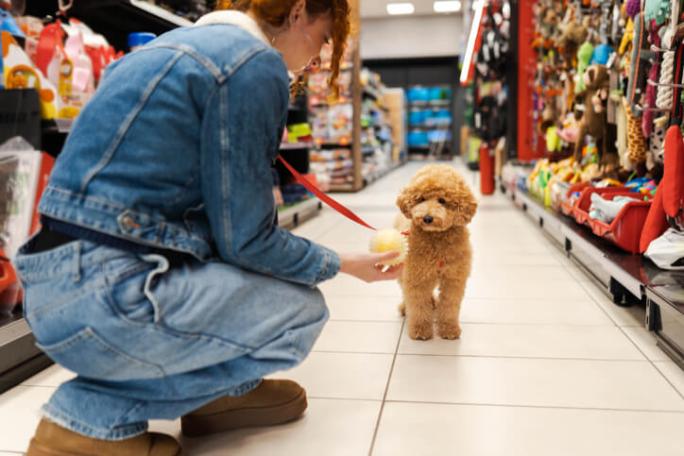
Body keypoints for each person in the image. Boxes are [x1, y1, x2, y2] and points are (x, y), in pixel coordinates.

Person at [14, 1, 401, 454]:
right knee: (301, 312)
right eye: (324, 37)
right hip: (113, 298)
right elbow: (248, 241)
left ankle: (223, 393)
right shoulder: (253, 64)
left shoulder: (159, 51)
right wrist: (343, 263)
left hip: (53, 290)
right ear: (298, 13)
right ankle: (86, 419)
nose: (318, 57)